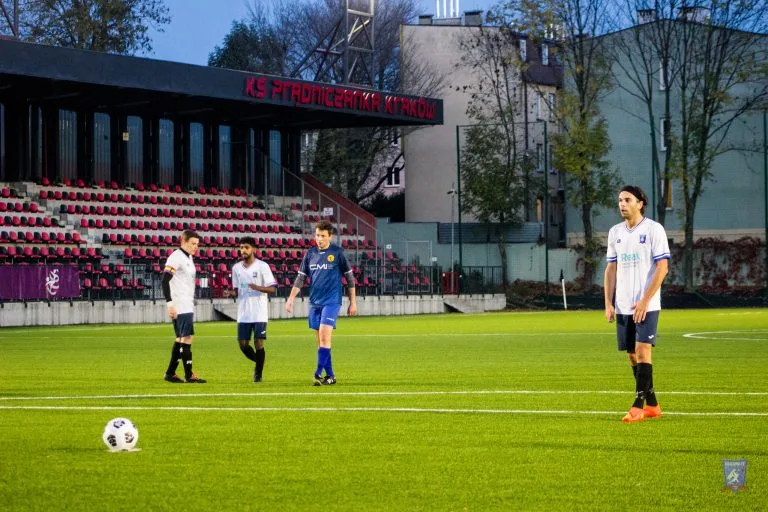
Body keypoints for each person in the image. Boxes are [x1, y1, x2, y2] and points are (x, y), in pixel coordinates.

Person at [603, 185, 670, 423]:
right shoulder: (615, 232)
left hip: (647, 305)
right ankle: (652, 404)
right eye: (620, 200)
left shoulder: (654, 230)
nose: (622, 204)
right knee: (632, 355)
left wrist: (644, 300)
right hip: (622, 306)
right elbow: (611, 268)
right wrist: (608, 303)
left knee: (643, 352)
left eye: (627, 200)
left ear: (640, 203)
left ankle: (637, 407)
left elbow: (662, 268)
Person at [285, 220, 357, 385]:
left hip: (332, 301)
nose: (319, 239)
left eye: (323, 236)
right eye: (317, 235)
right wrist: (290, 299)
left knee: (325, 337)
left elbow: (350, 279)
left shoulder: (338, 253)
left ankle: (317, 374)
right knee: (320, 342)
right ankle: (330, 376)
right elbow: (300, 278)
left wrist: (353, 302)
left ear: (330, 237)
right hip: (314, 303)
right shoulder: (310, 253)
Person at [223, 236, 277, 382]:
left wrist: (257, 287)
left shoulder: (262, 266)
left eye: (246, 247)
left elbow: (272, 289)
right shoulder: (236, 268)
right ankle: (259, 362)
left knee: (259, 342)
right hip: (244, 313)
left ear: (253, 249)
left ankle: (258, 374)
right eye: (241, 248)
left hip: (259, 312)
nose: (243, 250)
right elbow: (237, 290)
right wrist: (230, 293)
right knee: (243, 344)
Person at [162, 229, 206, 383]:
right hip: (179, 305)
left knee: (181, 339)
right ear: (184, 241)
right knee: (186, 339)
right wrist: (170, 304)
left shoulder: (188, 258)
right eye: (193, 243)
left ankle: (170, 373)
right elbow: (164, 280)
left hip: (185, 303)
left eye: (197, 244)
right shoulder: (176, 257)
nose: (196, 247)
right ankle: (188, 375)